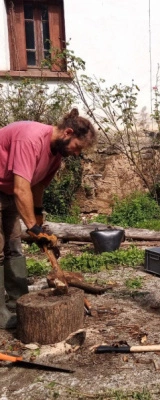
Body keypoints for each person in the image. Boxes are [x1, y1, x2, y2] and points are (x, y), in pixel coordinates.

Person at [0, 109, 97, 329]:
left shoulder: (55, 154)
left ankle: (18, 302)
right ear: (68, 133)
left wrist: (39, 225)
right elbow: (21, 187)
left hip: (7, 191)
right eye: (77, 147)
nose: (76, 154)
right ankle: (0, 315)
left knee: (14, 246)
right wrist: (32, 227)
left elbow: (38, 187)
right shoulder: (30, 139)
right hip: (9, 188)